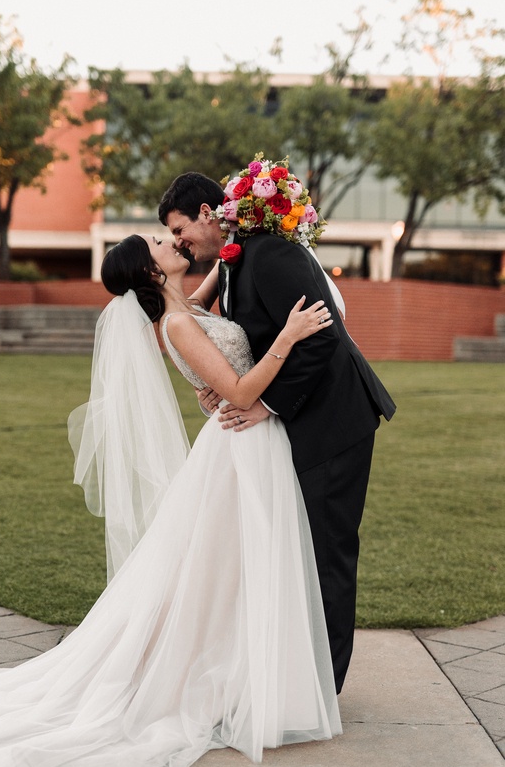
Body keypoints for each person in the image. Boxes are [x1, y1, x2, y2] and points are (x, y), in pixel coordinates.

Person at [0, 234, 341, 767]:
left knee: (233, 573)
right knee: (233, 568)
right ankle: (232, 683)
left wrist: (233, 243)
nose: (172, 239)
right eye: (160, 242)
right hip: (241, 444)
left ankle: (251, 680)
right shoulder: (179, 324)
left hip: (247, 447)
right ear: (150, 271)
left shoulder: (187, 307)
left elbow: (215, 285)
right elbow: (237, 389)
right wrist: (287, 336)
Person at [159, 161, 396, 694]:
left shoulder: (271, 253)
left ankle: (322, 690)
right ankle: (299, 675)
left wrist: (265, 404)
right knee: (301, 550)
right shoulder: (238, 259)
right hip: (303, 418)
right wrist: (221, 381)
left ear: (205, 213)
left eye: (180, 230)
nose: (180, 243)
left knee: (327, 552)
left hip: (335, 421)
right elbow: (248, 335)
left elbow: (321, 337)